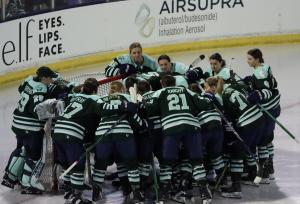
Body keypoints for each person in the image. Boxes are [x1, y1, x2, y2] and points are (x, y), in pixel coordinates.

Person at [52, 78, 136, 203]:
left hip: (57, 131)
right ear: (96, 90)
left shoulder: (74, 96)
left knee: (68, 164)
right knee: (78, 166)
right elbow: (104, 109)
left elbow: (64, 96)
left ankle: (69, 190)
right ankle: (77, 196)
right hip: (72, 133)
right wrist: (125, 105)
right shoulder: (94, 99)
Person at [145, 75, 212, 203]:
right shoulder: (185, 90)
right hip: (191, 126)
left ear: (162, 83)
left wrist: (141, 102)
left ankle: (163, 194)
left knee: (167, 162)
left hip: (172, 128)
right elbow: (204, 104)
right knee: (196, 161)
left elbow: (150, 110)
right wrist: (208, 96)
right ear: (175, 83)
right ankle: (205, 193)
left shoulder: (159, 92)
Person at [1, 66, 57, 194]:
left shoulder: (29, 79)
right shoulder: (41, 89)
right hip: (30, 126)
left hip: (17, 122)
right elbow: (36, 109)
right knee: (34, 155)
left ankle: (10, 177)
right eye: (50, 78)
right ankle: (28, 183)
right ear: (43, 78)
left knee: (21, 149)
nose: (51, 81)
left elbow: (20, 89)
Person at [92, 81, 146, 204]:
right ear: (122, 89)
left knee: (100, 165)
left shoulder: (101, 99)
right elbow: (133, 116)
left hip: (102, 134)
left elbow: (97, 114)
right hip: (123, 133)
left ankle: (96, 193)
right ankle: (135, 192)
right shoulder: (127, 97)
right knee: (131, 163)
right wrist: (142, 125)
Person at [215, 76, 265, 198]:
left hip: (248, 123)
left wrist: (232, 138)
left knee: (236, 153)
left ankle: (236, 188)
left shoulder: (225, 97)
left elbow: (230, 120)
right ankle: (253, 175)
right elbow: (250, 91)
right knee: (250, 147)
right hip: (260, 118)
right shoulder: (237, 86)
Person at [244, 48, 281, 182]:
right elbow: (273, 84)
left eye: (250, 59)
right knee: (268, 138)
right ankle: (270, 169)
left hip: (267, 110)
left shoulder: (259, 72)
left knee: (262, 141)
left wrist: (258, 94)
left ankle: (265, 172)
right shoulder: (265, 67)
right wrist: (252, 81)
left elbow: (266, 91)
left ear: (257, 59)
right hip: (274, 107)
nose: (247, 61)